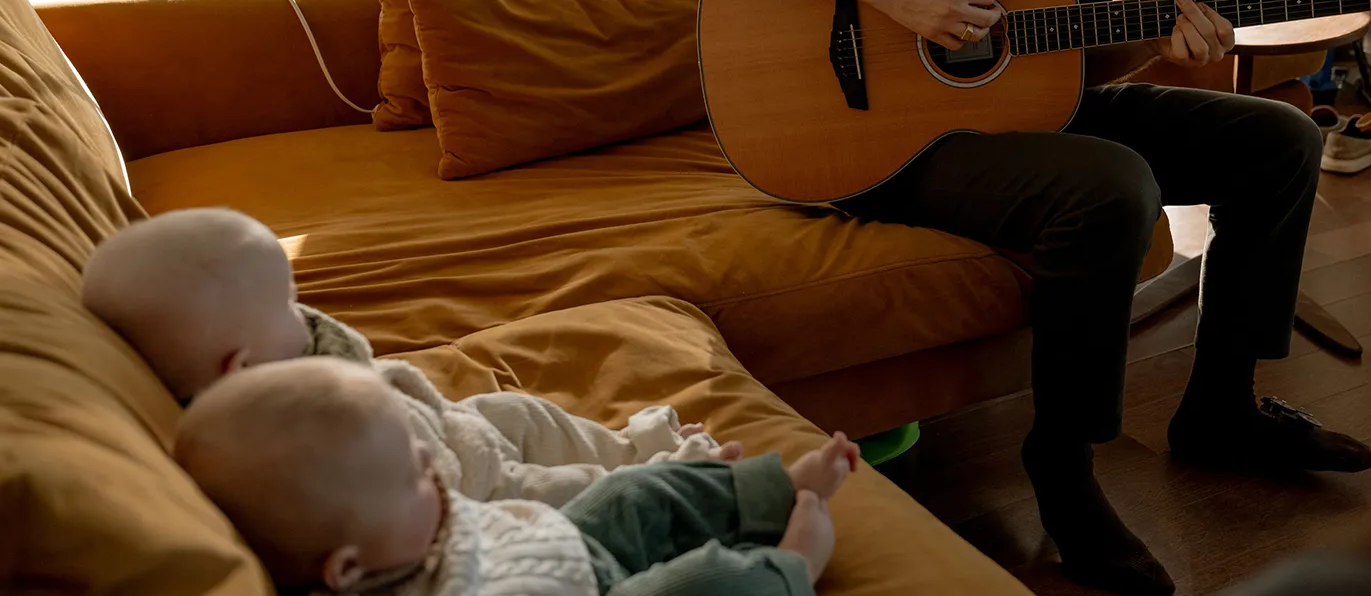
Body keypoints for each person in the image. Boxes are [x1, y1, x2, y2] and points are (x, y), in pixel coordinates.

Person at [658, 0, 1371, 596]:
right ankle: (1065, 468)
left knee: (1281, 139)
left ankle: (1222, 406)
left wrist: (1159, 37)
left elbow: (1067, 63)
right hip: (875, 139)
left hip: (1013, 120)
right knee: (1112, 187)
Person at [81, 208, 730, 501]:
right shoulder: (286, 443)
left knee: (521, 414)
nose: (305, 314)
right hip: (447, 479)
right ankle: (673, 479)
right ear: (241, 367)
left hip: (444, 423)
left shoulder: (267, 370)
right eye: (288, 304)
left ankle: (630, 447)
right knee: (545, 490)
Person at [175, 357, 858, 596]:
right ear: (348, 568)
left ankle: (770, 491)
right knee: (692, 585)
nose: (434, 473)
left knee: (626, 493)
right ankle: (792, 565)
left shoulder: (397, 536)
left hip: (557, 550)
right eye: (413, 479)